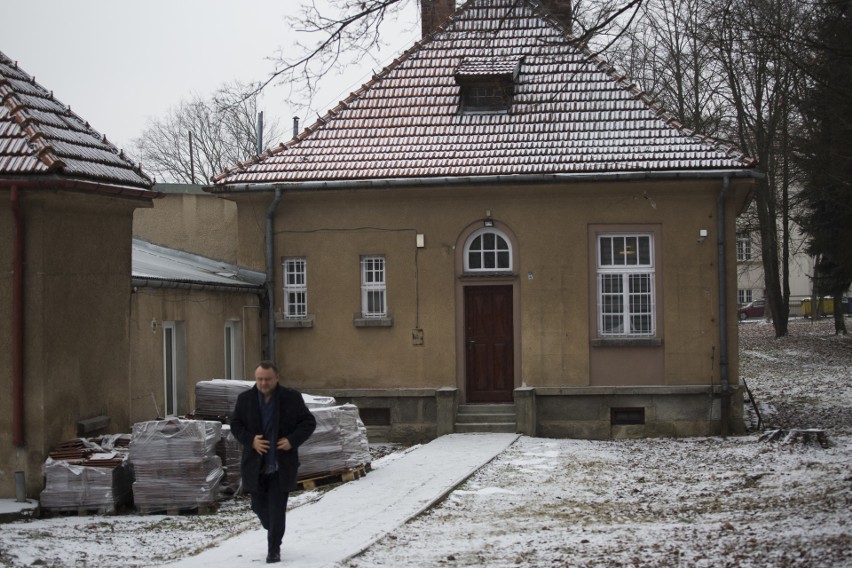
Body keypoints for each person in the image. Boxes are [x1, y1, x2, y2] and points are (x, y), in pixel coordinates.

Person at [231, 360, 316, 564]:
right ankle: (272, 527)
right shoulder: (245, 400)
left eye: (267, 379)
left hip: (281, 465)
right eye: (259, 379)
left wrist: (292, 441)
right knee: (259, 507)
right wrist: (251, 440)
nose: (263, 383)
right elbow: (235, 424)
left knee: (277, 510)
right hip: (255, 466)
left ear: (276, 378)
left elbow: (308, 422)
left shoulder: (291, 398)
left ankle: (274, 549)